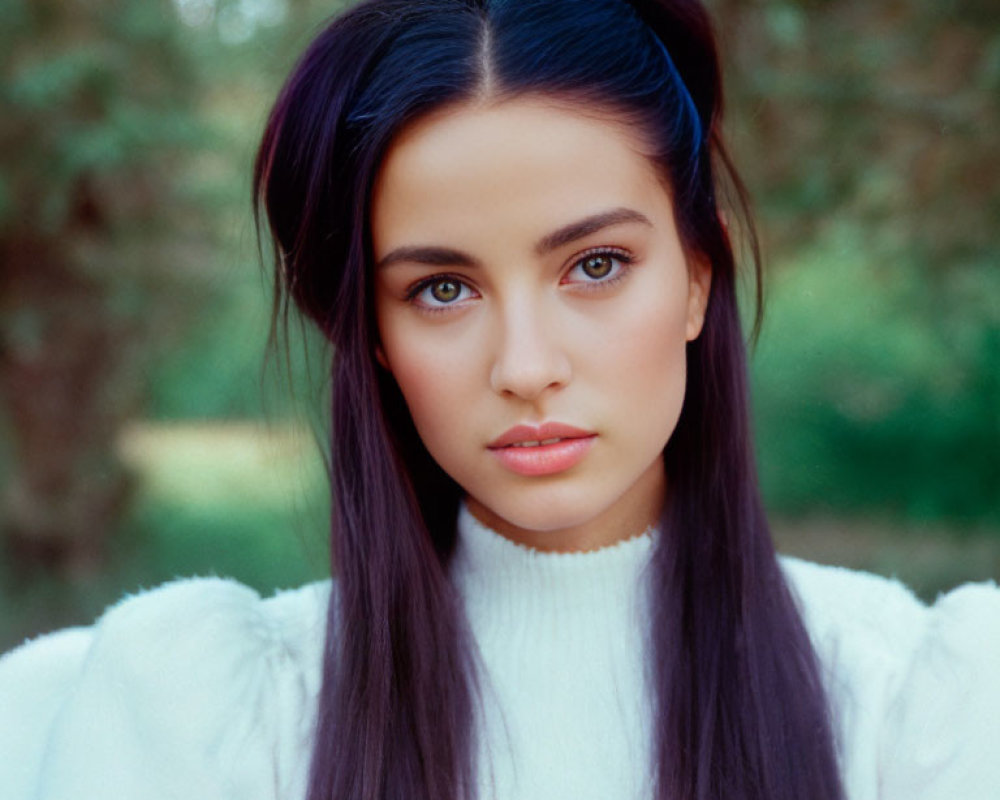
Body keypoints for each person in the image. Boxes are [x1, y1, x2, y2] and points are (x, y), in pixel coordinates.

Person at [1, 0, 998, 798]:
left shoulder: (908, 705)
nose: (525, 364)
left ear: (698, 276)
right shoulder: (200, 721)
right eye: (442, 289)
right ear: (375, 338)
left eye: (595, 264)